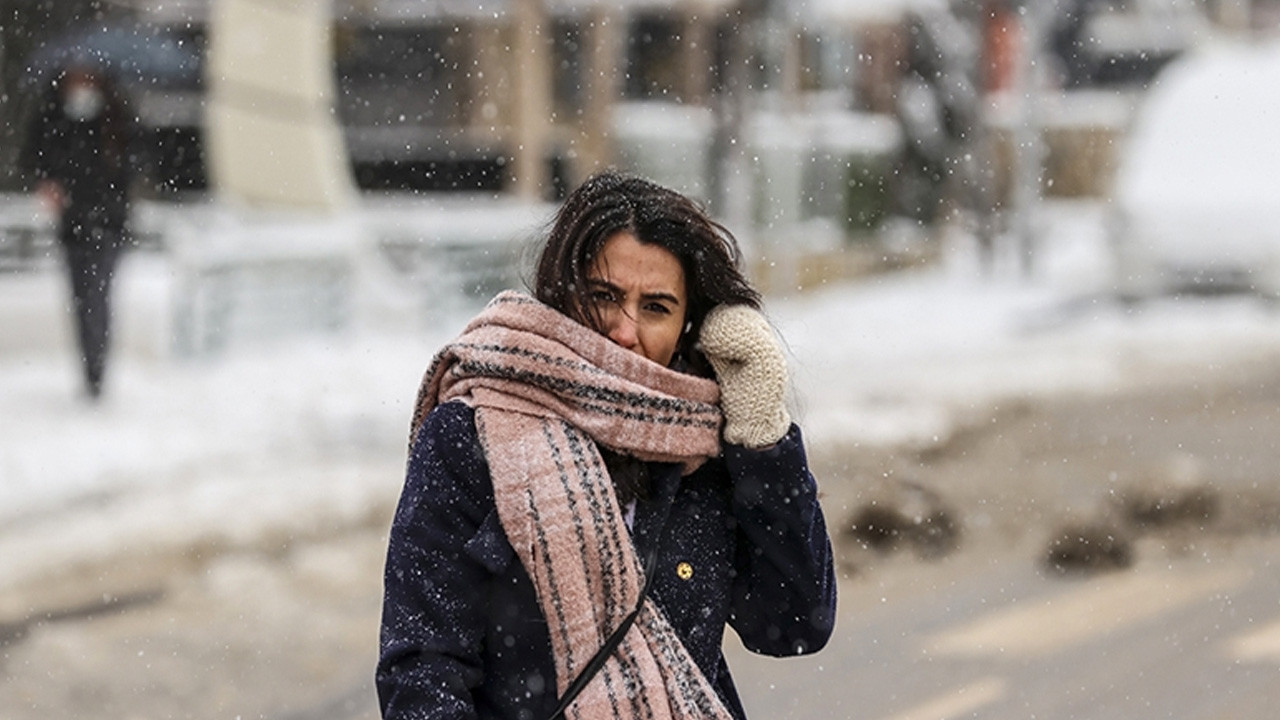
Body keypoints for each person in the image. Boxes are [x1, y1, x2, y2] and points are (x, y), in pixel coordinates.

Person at [377, 171, 836, 720]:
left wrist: (762, 433)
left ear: (691, 324)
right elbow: (423, 666)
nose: (625, 329)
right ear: (561, 294)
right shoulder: (473, 432)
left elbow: (794, 624)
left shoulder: (702, 450)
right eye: (604, 296)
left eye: (656, 307)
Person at [21, 62, 137, 399]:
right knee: (81, 297)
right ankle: (90, 366)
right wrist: (49, 183)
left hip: (109, 224)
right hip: (72, 225)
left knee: (96, 294)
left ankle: (97, 369)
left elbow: (135, 162)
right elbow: (36, 158)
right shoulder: (54, 117)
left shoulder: (117, 116)